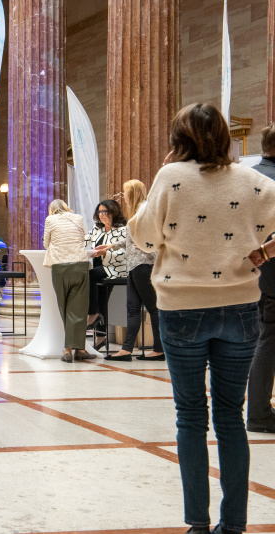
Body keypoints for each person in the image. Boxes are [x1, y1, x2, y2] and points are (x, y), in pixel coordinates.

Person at [131, 102, 275, 534]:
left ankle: (198, 523)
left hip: (182, 308)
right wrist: (263, 253)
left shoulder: (172, 177)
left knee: (190, 415)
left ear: (180, 139)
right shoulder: (254, 180)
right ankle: (234, 525)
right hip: (241, 307)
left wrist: (162, 177)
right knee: (231, 417)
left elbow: (142, 236)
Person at [108, 180, 164, 362]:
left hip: (143, 265)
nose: (123, 196)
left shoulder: (145, 210)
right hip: (133, 265)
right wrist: (110, 245)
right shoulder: (135, 213)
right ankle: (126, 350)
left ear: (133, 193)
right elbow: (131, 241)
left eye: (125, 193)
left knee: (153, 309)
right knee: (132, 309)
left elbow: (158, 236)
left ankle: (159, 349)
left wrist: (150, 249)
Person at [247, 123, 275, 434]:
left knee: (264, 339)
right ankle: (258, 412)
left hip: (254, 274)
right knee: (268, 341)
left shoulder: (250, 175)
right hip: (271, 269)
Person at [43, 199, 92, 362]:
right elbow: (82, 238)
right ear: (65, 207)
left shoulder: (50, 220)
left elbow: (45, 243)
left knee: (64, 307)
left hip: (60, 267)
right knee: (78, 309)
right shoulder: (77, 218)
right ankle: (80, 350)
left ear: (51, 209)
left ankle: (68, 351)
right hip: (80, 265)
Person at [85, 199, 127, 349]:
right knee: (102, 301)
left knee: (89, 275)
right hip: (100, 268)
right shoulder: (97, 230)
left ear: (113, 212)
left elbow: (124, 252)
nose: (102, 215)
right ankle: (101, 338)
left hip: (115, 268)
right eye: (100, 212)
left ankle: (92, 313)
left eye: (105, 212)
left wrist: (106, 252)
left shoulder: (122, 230)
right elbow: (83, 241)